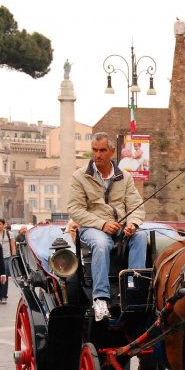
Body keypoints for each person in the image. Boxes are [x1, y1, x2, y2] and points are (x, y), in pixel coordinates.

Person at [67, 132, 146, 321]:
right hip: (92, 228)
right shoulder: (80, 177)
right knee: (102, 244)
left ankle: (134, 288)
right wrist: (102, 224)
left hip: (119, 226)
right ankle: (100, 298)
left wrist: (132, 224)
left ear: (111, 152)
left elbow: (136, 206)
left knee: (141, 237)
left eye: (102, 150)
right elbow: (74, 209)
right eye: (95, 150)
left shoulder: (124, 177)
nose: (98, 155)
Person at [0, 218, 16, 304]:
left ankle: (4, 296)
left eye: (0, 224)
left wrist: (13, 257)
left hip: (6, 257)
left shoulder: (9, 234)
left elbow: (13, 246)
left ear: (4, 224)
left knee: (4, 277)